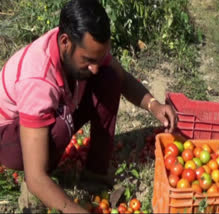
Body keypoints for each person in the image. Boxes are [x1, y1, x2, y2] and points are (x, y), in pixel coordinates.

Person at [0, 0, 176, 213]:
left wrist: (153, 105)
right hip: (9, 138)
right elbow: (35, 178)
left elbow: (122, 78)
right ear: (65, 42)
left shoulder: (80, 46)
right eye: (88, 60)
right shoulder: (37, 79)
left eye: (99, 58)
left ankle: (94, 172)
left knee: (109, 78)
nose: (94, 67)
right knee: (61, 126)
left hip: (49, 112)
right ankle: (47, 182)